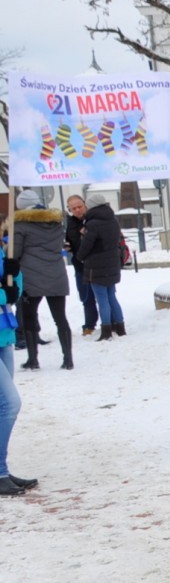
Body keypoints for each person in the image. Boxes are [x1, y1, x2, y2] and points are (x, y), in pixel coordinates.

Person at [13, 190, 74, 371]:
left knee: (29, 317)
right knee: (60, 318)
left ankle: (33, 360)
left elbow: (15, 254)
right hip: (56, 274)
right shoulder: (56, 223)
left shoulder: (20, 225)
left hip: (31, 278)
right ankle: (68, 360)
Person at [0, 257, 38, 496]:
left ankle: (1, 468)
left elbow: (15, 289)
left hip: (3, 333)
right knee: (10, 403)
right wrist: (5, 292)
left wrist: (15, 275)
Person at [77, 195, 126, 340]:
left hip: (96, 266)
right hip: (112, 264)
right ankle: (120, 327)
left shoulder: (92, 224)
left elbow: (87, 246)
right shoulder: (113, 221)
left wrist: (79, 256)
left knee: (102, 298)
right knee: (111, 296)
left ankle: (106, 330)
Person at [63, 194, 98, 337]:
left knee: (104, 296)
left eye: (79, 207)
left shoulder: (93, 219)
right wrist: (67, 246)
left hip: (97, 265)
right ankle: (89, 324)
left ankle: (111, 322)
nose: (77, 210)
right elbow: (69, 240)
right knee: (86, 297)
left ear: (85, 205)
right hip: (80, 266)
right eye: (73, 208)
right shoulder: (70, 223)